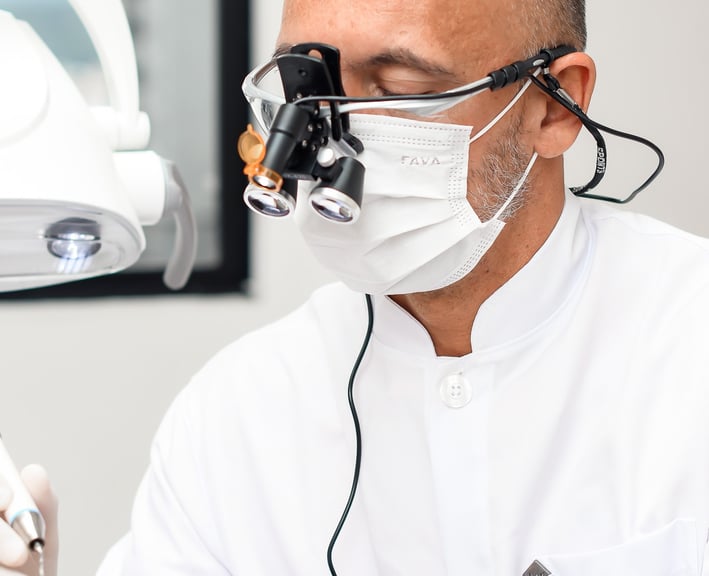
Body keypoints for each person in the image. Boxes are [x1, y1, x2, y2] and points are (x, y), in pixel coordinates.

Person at [3, 0, 709, 574]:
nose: (334, 135)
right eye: (308, 87)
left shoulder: (687, 341)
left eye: (401, 88)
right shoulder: (235, 415)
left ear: (555, 106)